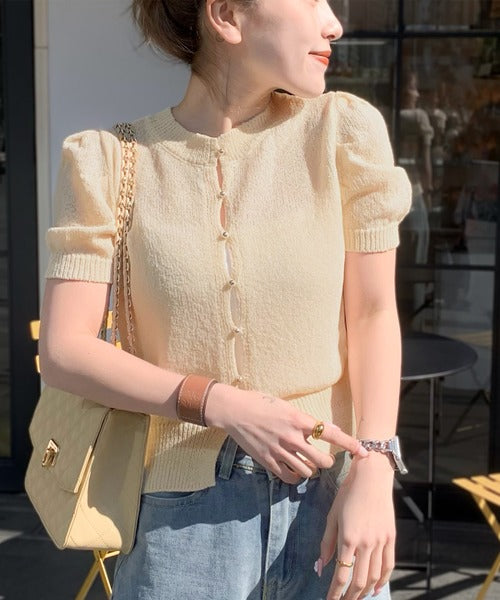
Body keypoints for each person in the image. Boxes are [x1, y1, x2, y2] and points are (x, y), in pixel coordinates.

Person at [39, 1, 411, 599]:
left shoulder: (342, 133)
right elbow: (64, 350)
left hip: (334, 505)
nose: (333, 23)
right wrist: (219, 404)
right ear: (227, 15)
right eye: (310, 0)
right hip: (180, 524)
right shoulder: (107, 162)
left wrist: (374, 468)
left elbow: (373, 314)